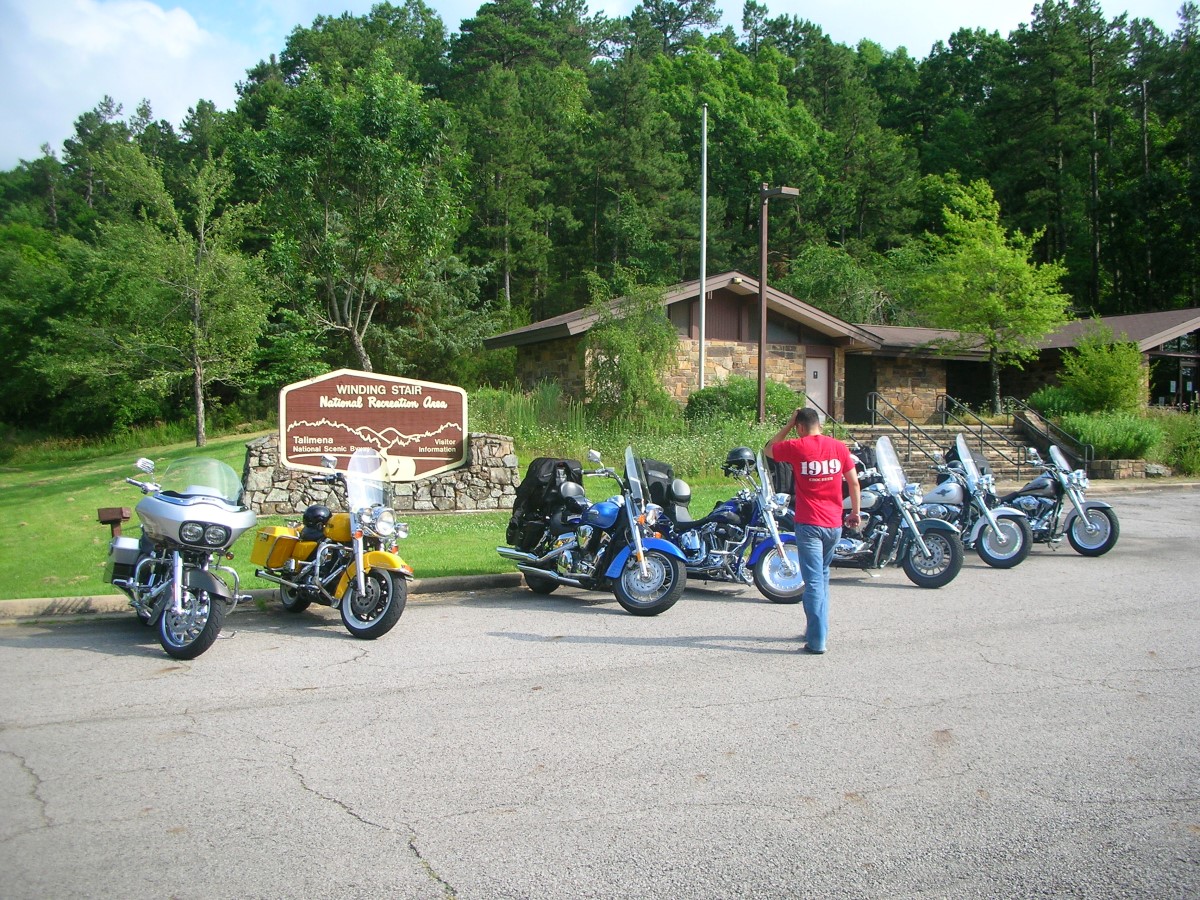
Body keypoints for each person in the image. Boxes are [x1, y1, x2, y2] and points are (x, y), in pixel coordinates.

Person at [765, 407, 861, 655]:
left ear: (799, 427)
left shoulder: (797, 446)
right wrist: (855, 512)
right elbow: (853, 482)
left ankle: (817, 641)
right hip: (834, 524)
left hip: (809, 524)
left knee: (813, 581)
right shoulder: (839, 447)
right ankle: (814, 629)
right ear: (820, 424)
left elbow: (768, 449)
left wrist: (788, 424)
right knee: (823, 575)